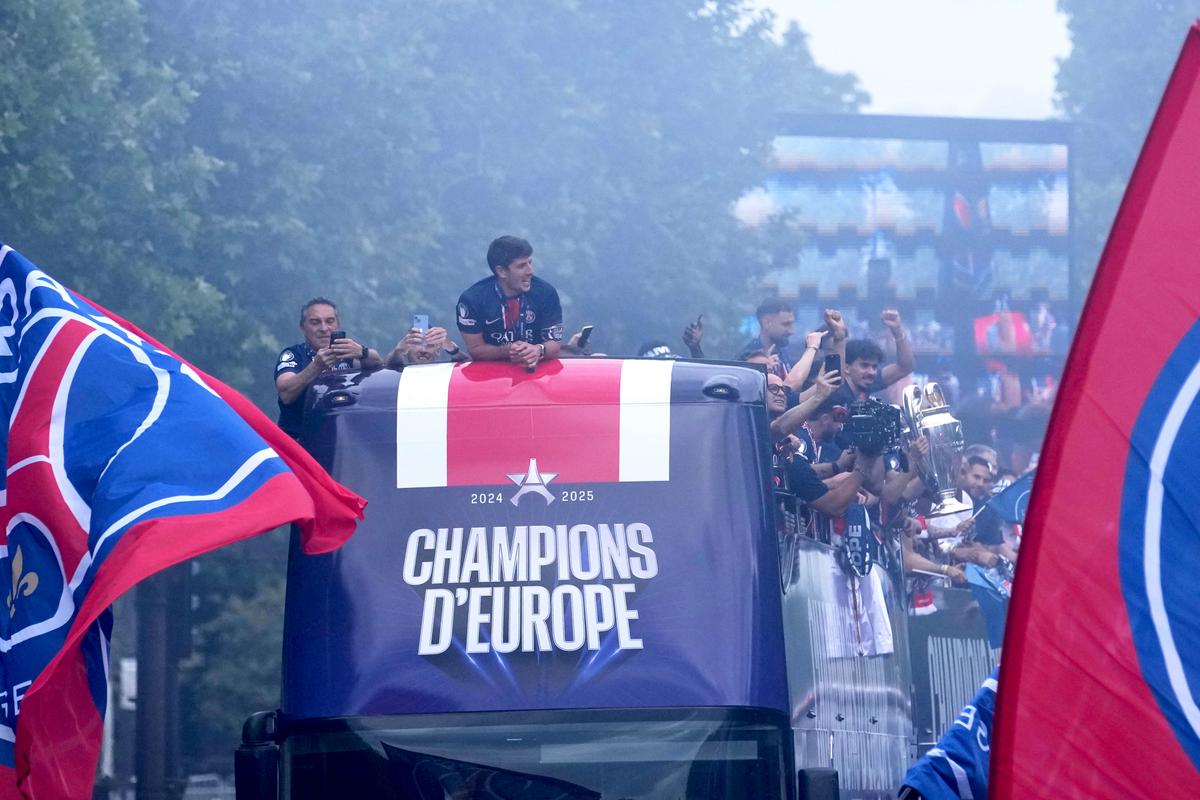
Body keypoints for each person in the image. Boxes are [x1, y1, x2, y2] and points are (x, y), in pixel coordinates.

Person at [275, 297, 382, 438]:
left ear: (338, 325)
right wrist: (316, 367)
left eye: (330, 321)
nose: (324, 329)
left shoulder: (347, 353)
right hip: (298, 443)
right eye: (315, 322)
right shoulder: (293, 355)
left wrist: (363, 352)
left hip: (340, 442)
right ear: (302, 328)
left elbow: (379, 366)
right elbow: (286, 393)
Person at [456, 235, 562, 370]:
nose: (530, 271)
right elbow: (475, 349)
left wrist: (538, 350)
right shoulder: (472, 299)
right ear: (501, 271)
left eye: (530, 262)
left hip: (538, 371)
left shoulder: (546, 292)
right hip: (491, 375)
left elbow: (555, 344)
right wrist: (507, 350)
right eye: (522, 266)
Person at [831, 308, 915, 405]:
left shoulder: (867, 382)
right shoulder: (833, 389)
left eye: (874, 367)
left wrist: (897, 331)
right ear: (846, 368)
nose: (871, 372)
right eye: (864, 366)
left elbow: (906, 367)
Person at [737, 299, 797, 380]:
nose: (791, 331)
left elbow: (790, 392)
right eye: (786, 324)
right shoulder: (749, 358)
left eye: (792, 324)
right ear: (766, 323)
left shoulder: (782, 352)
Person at [386, 324, 470, 367]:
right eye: (417, 344)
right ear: (406, 350)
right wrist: (398, 350)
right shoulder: (396, 377)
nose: (423, 350)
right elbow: (387, 367)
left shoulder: (448, 374)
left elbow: (469, 367)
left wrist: (452, 349)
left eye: (429, 345)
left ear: (438, 351)